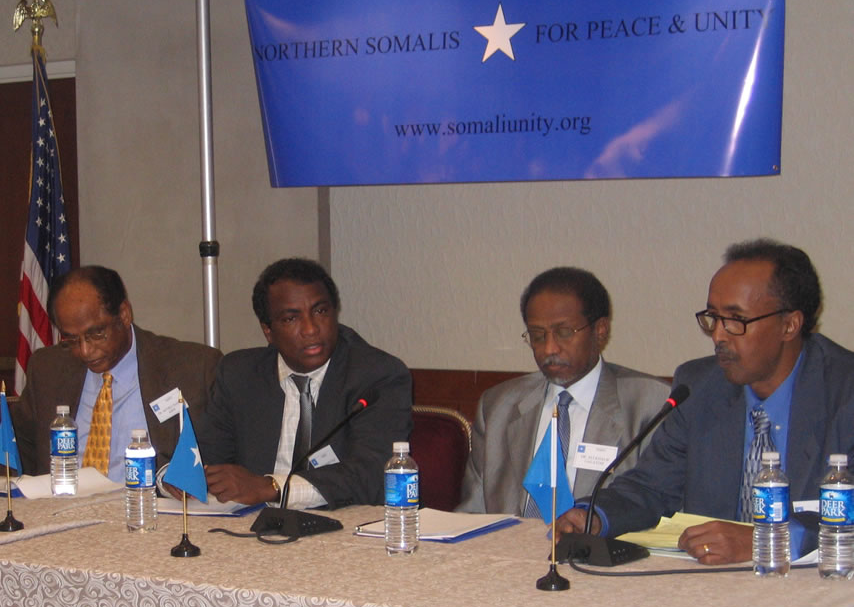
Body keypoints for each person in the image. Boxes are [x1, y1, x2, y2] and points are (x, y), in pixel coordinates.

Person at [557, 239, 854, 563]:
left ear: (789, 325)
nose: (718, 335)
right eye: (713, 317)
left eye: (736, 320)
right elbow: (653, 487)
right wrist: (595, 515)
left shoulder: (844, 392)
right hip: (709, 582)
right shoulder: (699, 386)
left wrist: (767, 539)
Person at [195, 257, 411, 508]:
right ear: (268, 331)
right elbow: (204, 457)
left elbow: (373, 474)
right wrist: (175, 479)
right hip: (254, 522)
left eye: (320, 311)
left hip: (346, 521)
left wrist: (272, 487)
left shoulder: (377, 375)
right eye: (291, 318)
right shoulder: (240, 374)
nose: (311, 329)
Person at [458, 267, 670, 515]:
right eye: (538, 335)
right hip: (507, 540)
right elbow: (471, 515)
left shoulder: (651, 404)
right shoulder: (498, 406)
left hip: (601, 541)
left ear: (600, 330)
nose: (549, 348)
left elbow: (660, 507)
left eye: (564, 332)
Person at [13, 266, 222, 479]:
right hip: (64, 497)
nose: (85, 351)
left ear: (124, 314)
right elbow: (20, 448)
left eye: (96, 333)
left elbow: (216, 457)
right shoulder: (47, 369)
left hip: (145, 497)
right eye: (72, 339)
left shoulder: (193, 369)